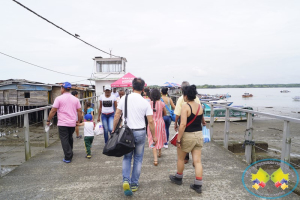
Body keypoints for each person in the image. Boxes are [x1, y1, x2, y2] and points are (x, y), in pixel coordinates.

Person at [112, 78, 157, 196]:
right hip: (140, 132)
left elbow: (117, 115)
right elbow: (151, 122)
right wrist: (154, 136)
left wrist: (113, 129)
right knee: (138, 159)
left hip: (126, 132)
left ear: (132, 87)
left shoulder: (124, 98)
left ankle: (125, 180)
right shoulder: (145, 102)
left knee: (127, 157)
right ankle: (134, 184)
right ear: (143, 89)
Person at [169, 85, 204, 193]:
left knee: (180, 158)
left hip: (188, 136)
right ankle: (198, 184)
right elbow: (201, 120)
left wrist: (178, 139)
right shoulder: (199, 106)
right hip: (199, 135)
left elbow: (183, 124)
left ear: (186, 95)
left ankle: (178, 177)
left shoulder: (185, 106)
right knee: (197, 161)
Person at [47, 82, 82, 163]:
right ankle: (70, 151)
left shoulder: (58, 98)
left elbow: (53, 110)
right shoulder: (75, 99)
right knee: (69, 137)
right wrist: (79, 120)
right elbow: (79, 111)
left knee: (64, 139)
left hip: (62, 123)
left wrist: (49, 120)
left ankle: (68, 157)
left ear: (62, 88)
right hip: (72, 123)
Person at [174, 81, 205, 164]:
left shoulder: (182, 100)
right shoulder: (197, 100)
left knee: (183, 148)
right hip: (197, 129)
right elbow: (201, 113)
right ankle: (198, 175)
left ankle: (185, 159)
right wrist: (203, 121)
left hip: (187, 127)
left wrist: (175, 123)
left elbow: (178, 114)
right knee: (197, 161)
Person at [147, 89, 167, 166]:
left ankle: (155, 160)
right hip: (160, 123)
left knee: (153, 140)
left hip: (151, 123)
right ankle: (160, 152)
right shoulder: (162, 104)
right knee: (159, 137)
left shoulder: (149, 104)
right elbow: (165, 114)